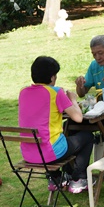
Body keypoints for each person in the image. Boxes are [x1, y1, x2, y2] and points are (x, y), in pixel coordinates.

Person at [19, 56, 95, 193]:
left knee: (64, 134)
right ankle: (78, 179)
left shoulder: (23, 93)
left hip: (29, 154)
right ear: (52, 77)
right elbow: (78, 118)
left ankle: (55, 178)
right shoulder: (55, 92)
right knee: (87, 137)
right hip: (49, 154)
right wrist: (72, 99)